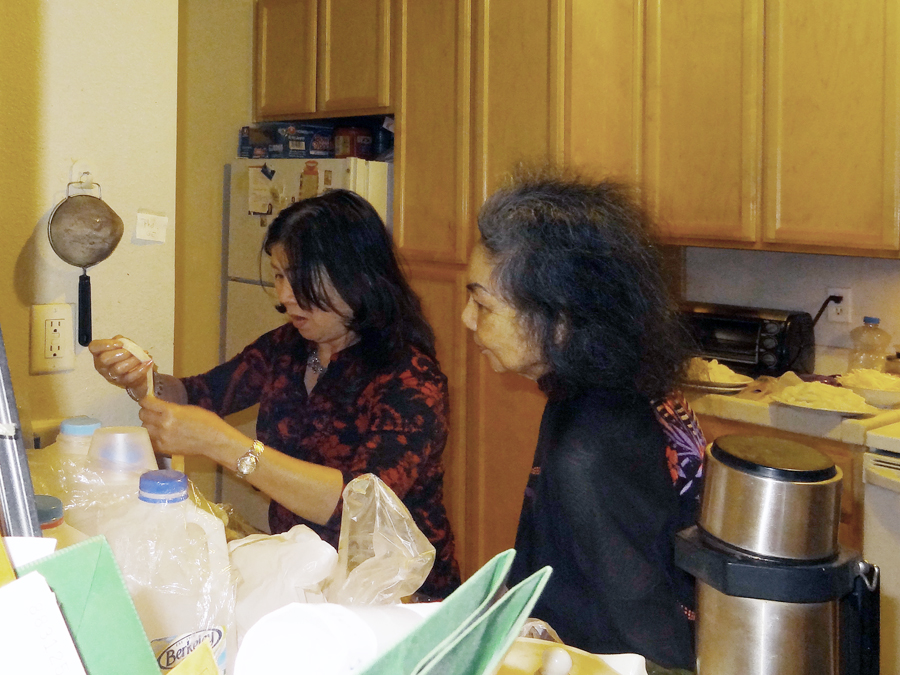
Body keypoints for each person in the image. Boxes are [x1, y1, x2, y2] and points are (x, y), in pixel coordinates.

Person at [90, 190, 461, 599]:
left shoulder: (410, 378)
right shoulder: (287, 347)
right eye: (280, 276)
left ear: (358, 275)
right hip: (304, 579)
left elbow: (356, 504)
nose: (285, 296)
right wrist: (140, 379)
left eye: (301, 278)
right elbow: (198, 394)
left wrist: (224, 444)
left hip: (400, 596)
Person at [461, 167, 704, 672]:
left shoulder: (590, 451)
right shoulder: (611, 388)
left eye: (482, 303)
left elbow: (650, 643)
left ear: (562, 322)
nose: (466, 318)